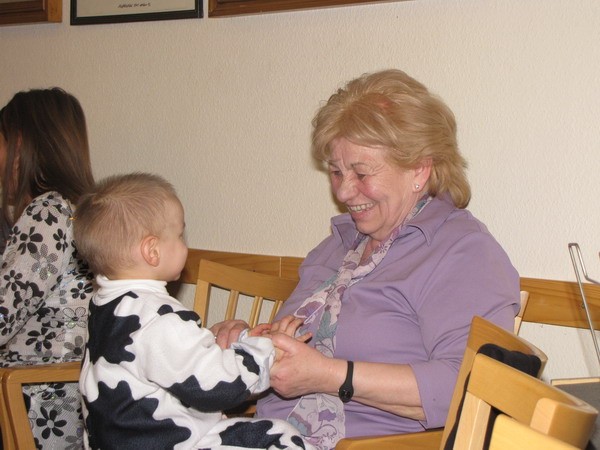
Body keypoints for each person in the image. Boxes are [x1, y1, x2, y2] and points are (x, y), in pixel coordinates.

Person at [213, 69, 520, 449]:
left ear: (419, 169)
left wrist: (331, 376)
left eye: (360, 173)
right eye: (336, 172)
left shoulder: (463, 252)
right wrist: (244, 347)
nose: (343, 191)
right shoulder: (337, 247)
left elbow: (472, 388)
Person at [73, 172, 314, 450]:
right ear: (152, 251)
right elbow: (216, 386)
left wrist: (242, 343)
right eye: (179, 235)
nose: (184, 244)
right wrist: (265, 351)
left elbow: (174, 359)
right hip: (171, 443)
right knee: (279, 435)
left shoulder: (105, 306)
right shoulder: (158, 317)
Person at [0, 88, 95, 448]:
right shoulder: (80, 210)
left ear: (20, 145)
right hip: (68, 397)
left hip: (39, 403)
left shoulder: (48, 213)